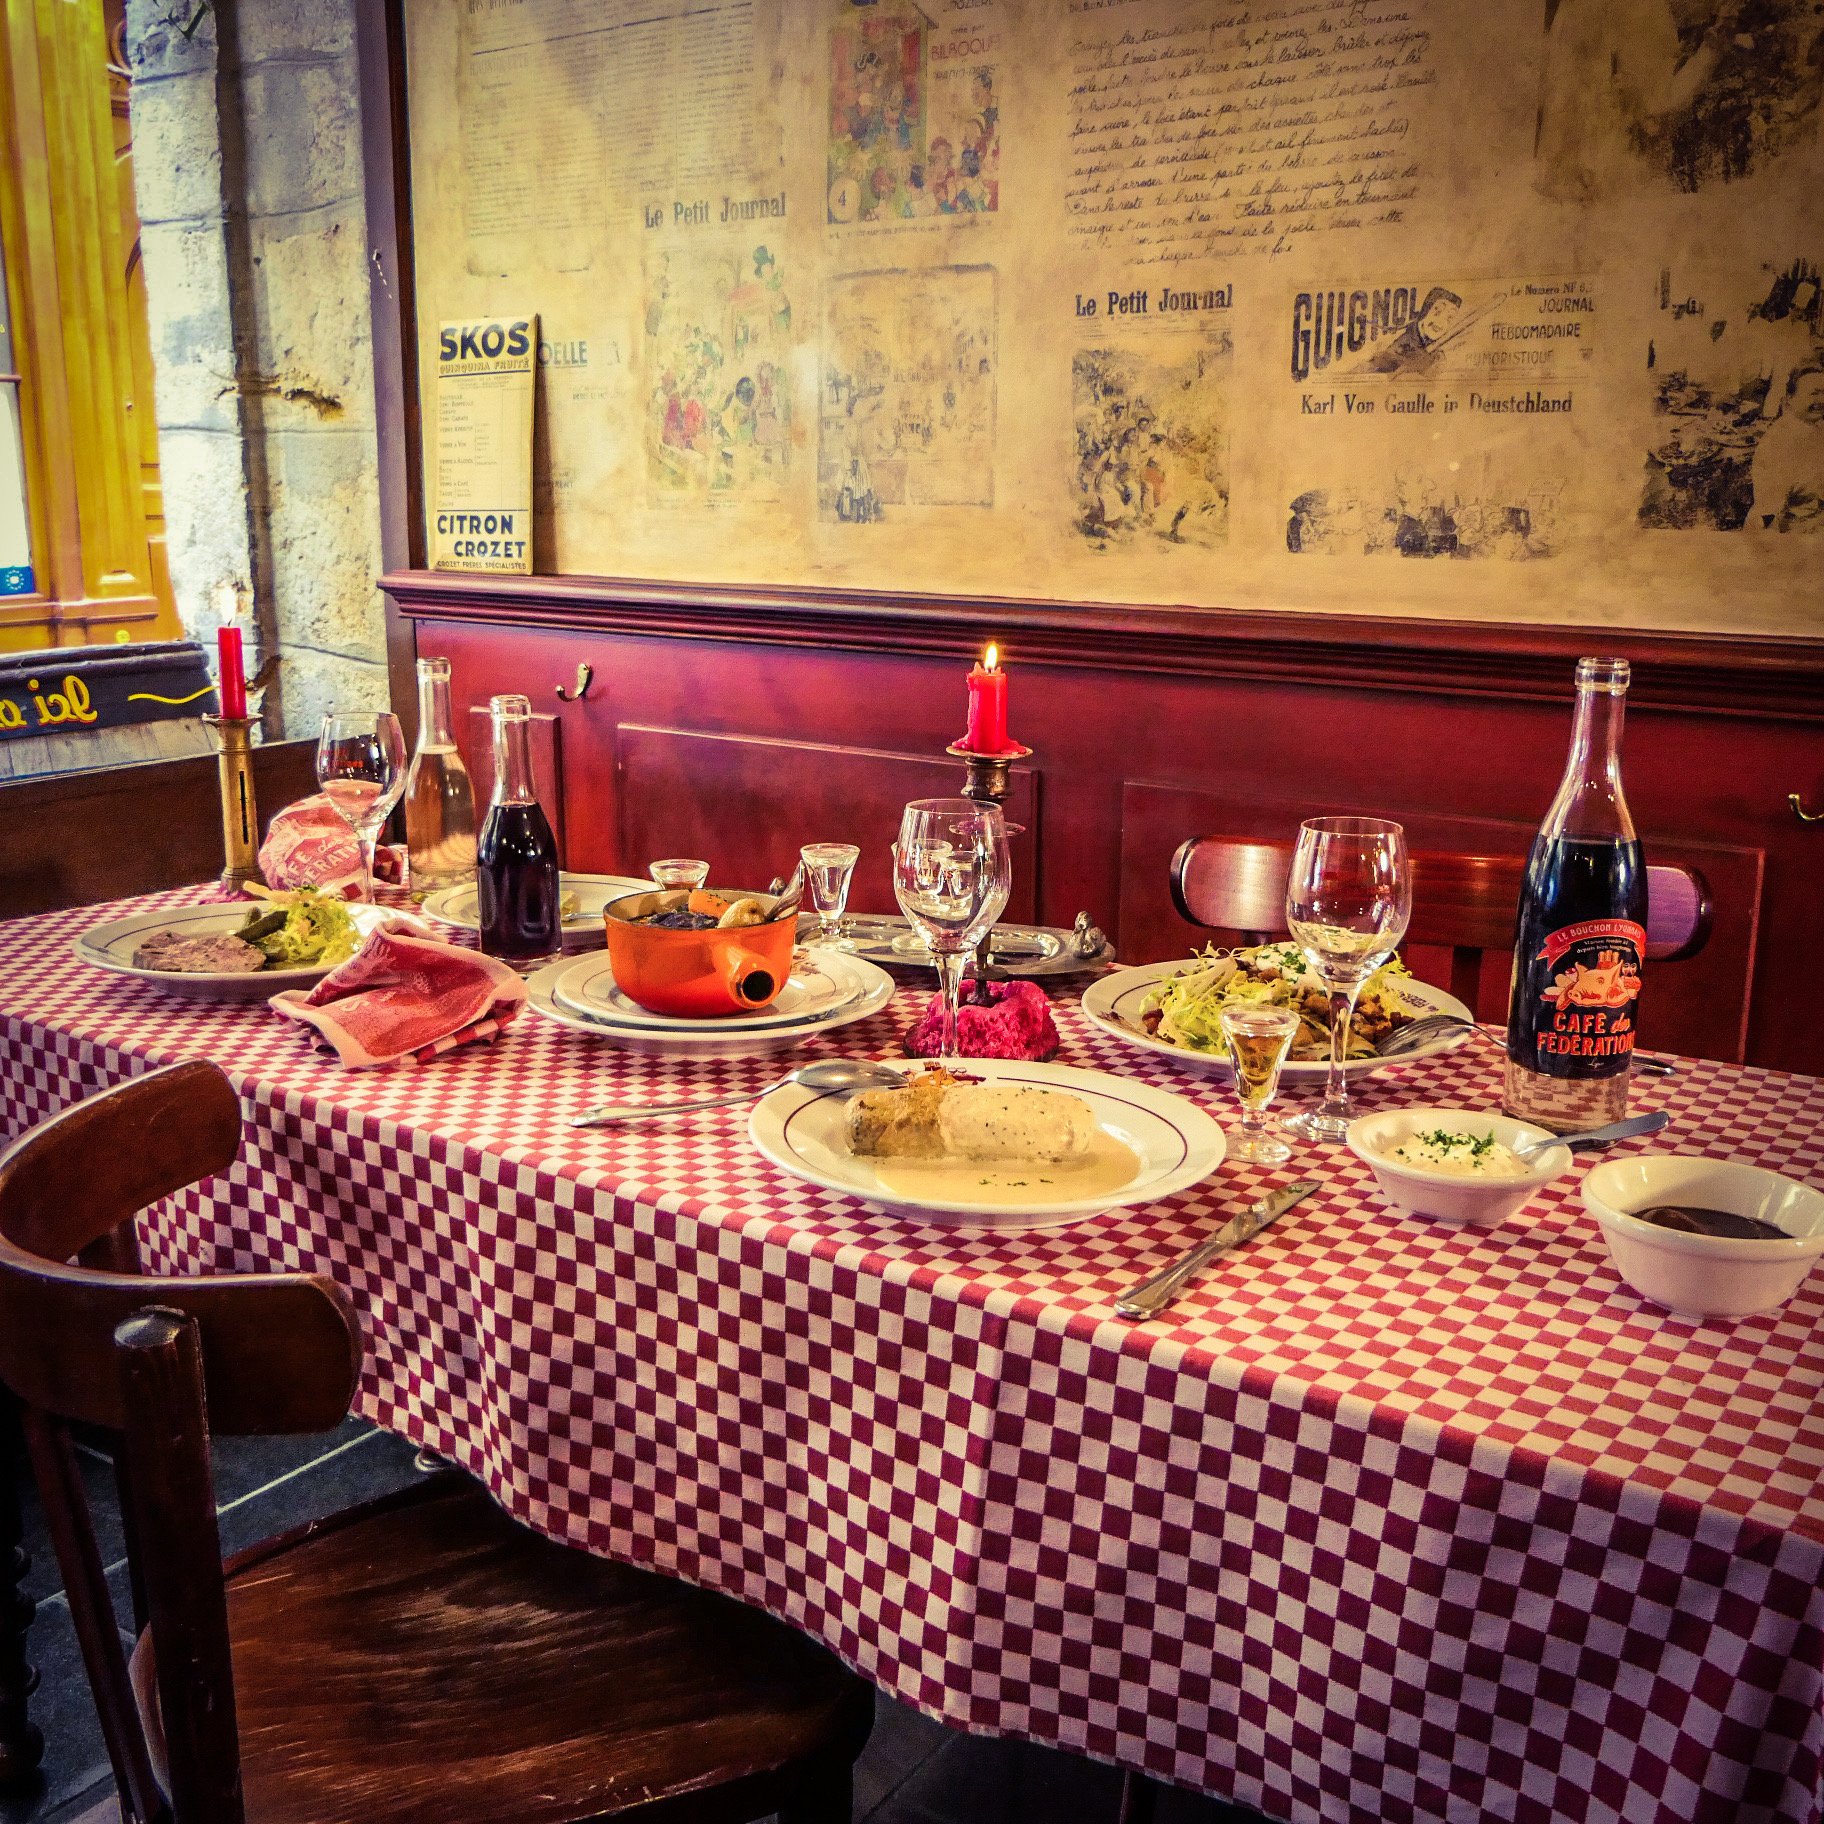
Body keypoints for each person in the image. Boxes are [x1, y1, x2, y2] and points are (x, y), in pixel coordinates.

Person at [1535, 0, 1742, 199]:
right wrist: (1713, 47)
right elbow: (1660, 100)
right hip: (1611, 187)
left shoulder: (1571, 11)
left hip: (1566, 189)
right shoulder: (1637, 9)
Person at [1747, 367, 1824, 530]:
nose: (1821, 400)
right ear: (1790, 399)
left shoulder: (1815, 427)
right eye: (1813, 393)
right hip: (1798, 532)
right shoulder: (1779, 443)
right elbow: (1768, 512)